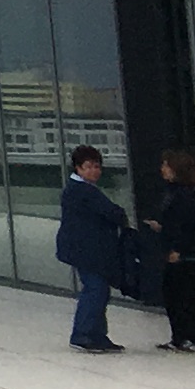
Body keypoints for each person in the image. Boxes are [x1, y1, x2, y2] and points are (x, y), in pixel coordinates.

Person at [57, 145, 129, 354]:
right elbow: (112, 212)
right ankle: (84, 334)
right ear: (78, 168)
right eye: (88, 167)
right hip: (86, 250)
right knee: (95, 289)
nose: (94, 171)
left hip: (88, 249)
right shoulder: (82, 191)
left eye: (97, 167)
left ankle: (97, 335)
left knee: (99, 290)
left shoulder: (80, 189)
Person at [154, 152, 195, 355]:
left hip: (187, 255)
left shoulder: (185, 196)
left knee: (187, 296)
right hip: (182, 252)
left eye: (166, 165)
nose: (162, 169)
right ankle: (180, 337)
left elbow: (187, 227)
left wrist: (179, 250)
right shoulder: (179, 193)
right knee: (176, 295)